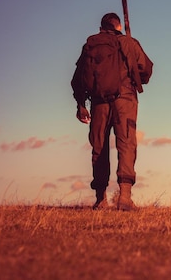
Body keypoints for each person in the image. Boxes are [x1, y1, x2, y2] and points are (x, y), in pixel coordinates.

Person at [71, 12, 153, 211]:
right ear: (119, 27)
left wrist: (81, 104)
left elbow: (78, 78)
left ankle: (101, 199)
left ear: (101, 28)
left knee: (99, 148)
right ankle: (125, 198)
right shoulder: (128, 42)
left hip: (98, 102)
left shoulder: (91, 45)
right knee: (126, 145)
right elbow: (146, 70)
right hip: (125, 100)